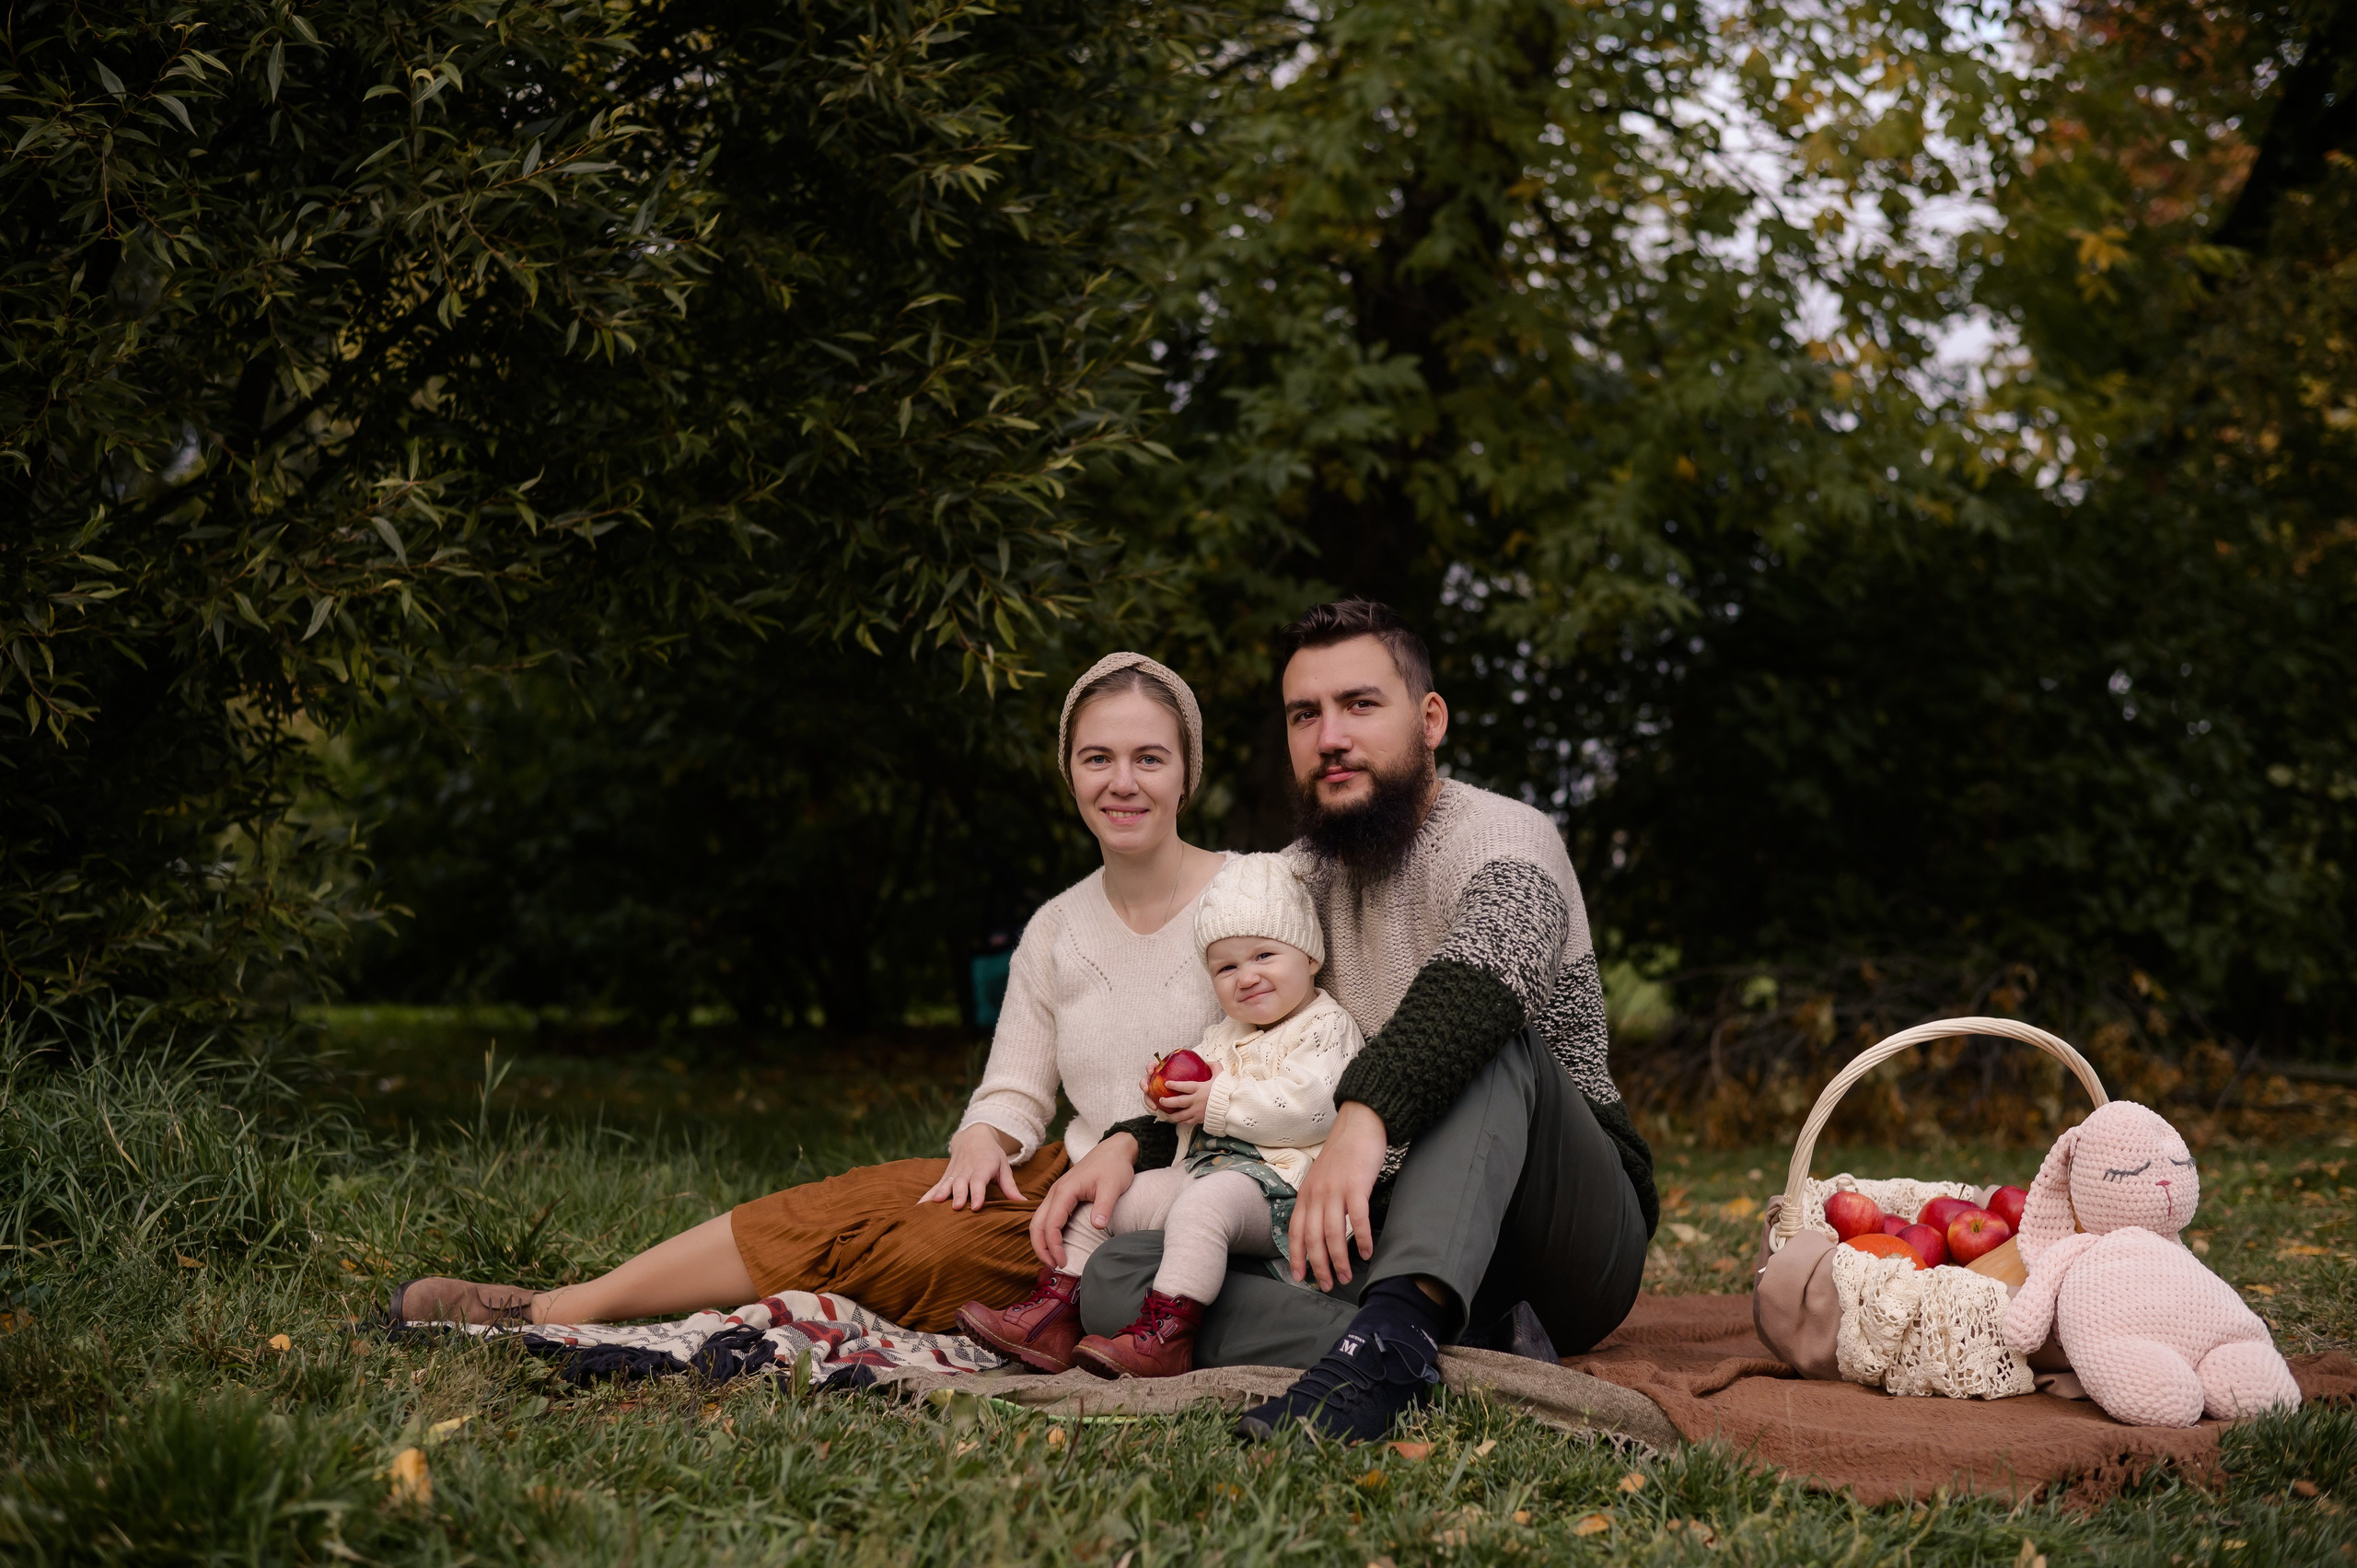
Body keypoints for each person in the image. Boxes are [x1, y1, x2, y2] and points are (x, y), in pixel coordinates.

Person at [389, 652, 1232, 1333]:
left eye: (1148, 758)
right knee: (838, 1202)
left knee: (918, 1253)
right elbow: (1014, 1088)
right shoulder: (1056, 926)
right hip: (1059, 1177)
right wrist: (981, 1138)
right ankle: (551, 1308)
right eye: (1098, 758)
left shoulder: (1250, 897)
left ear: (1186, 773)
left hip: (1158, 1204)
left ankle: (577, 1312)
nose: (1123, 781)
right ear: (1070, 771)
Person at [1063, 599, 1659, 1441]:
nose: (1330, 735)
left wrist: (1364, 1113)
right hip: (1382, 1230)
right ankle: (1436, 1347)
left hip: (1560, 1234)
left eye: (1359, 705)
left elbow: (1483, 981)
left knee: (1494, 1042)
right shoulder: (1293, 882)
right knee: (1124, 1275)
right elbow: (1231, 1053)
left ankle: (1397, 1339)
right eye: (1305, 714)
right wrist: (1135, 1139)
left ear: (1430, 719)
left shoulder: (1509, 837)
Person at [955, 854, 1364, 1377]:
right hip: (1205, 1173)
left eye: (1265, 955)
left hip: (1284, 1188)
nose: (1247, 977)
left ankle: (1168, 1335)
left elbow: (1314, 1109)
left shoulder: (1325, 1026)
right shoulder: (1225, 1035)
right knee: (1109, 1206)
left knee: (1204, 1208)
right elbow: (1195, 1107)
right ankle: (1054, 1315)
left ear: (1308, 957)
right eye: (1227, 967)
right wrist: (1167, 1098)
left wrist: (1214, 1101)